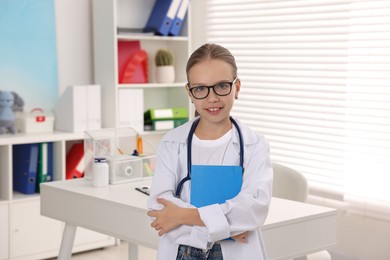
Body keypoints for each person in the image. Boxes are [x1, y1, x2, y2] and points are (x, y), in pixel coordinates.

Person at [147, 43, 273, 260]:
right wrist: (228, 229)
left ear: (237, 87)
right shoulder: (172, 143)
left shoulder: (255, 145)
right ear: (189, 92)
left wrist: (183, 216)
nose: (212, 98)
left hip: (236, 253)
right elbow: (162, 208)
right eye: (200, 89)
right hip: (182, 252)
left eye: (222, 86)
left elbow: (253, 210)